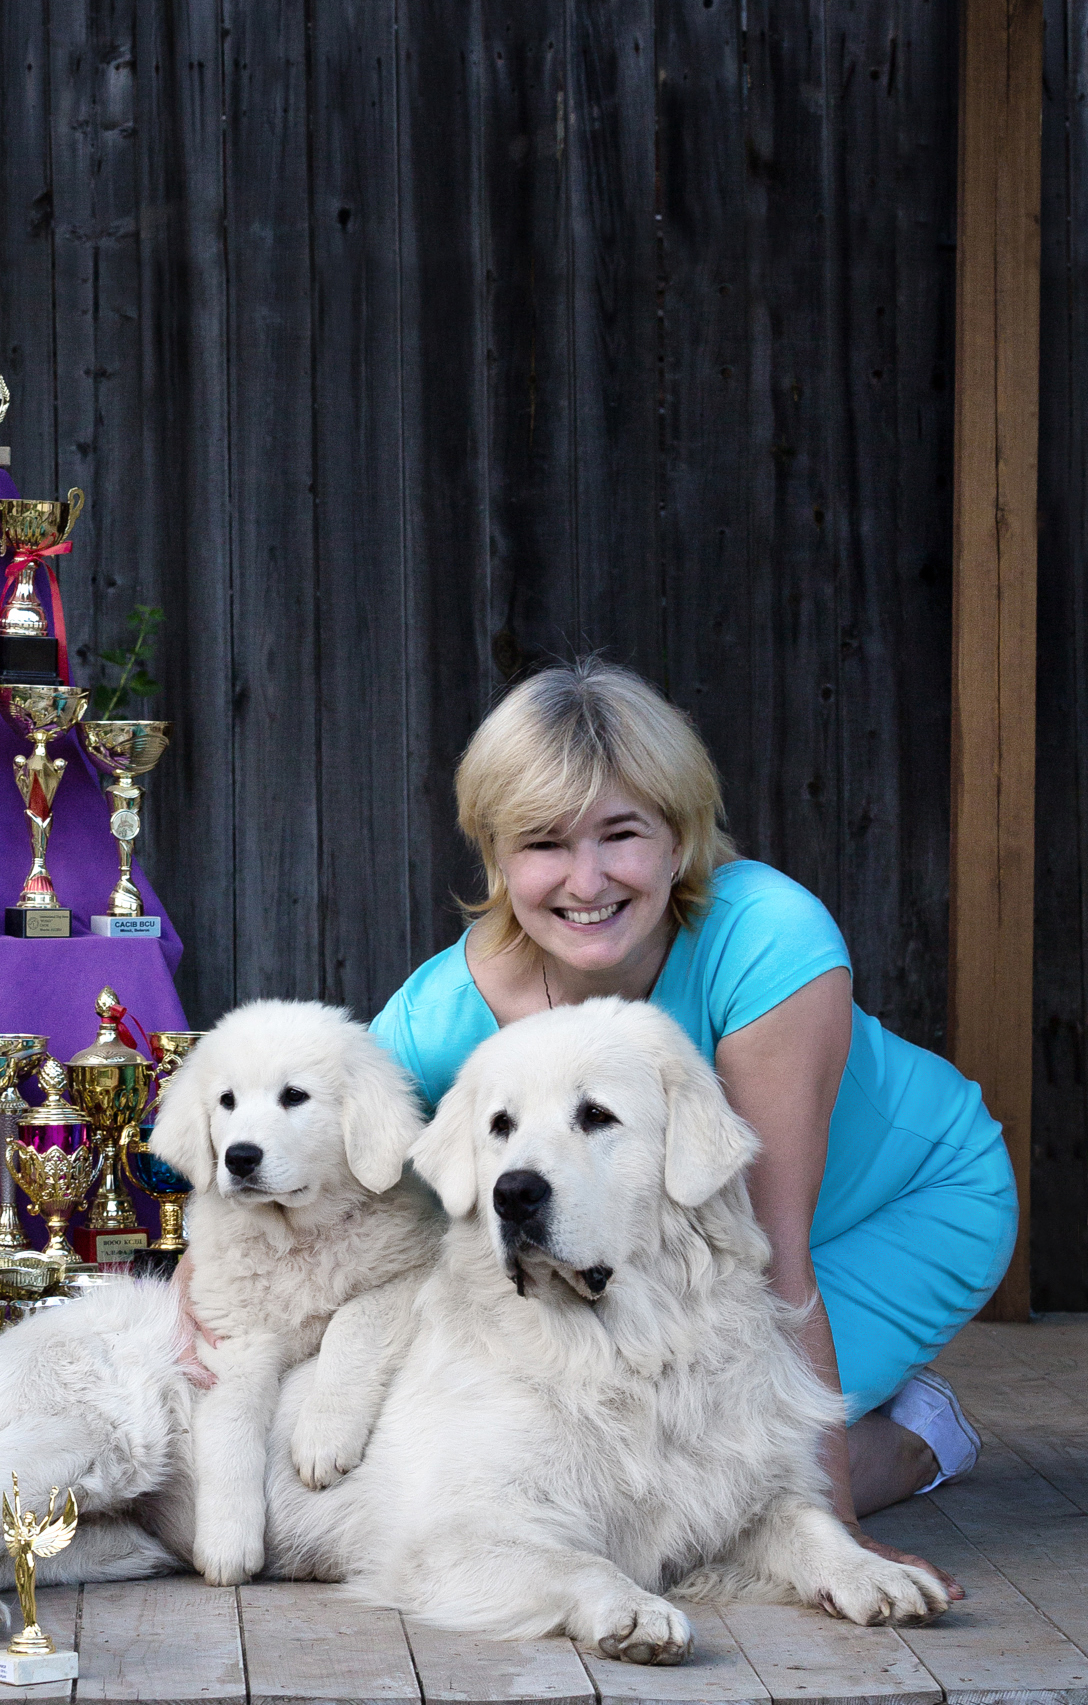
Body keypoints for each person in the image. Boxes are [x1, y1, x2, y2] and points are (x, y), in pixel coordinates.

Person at [371, 659, 1016, 1598]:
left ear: (679, 838)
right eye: (544, 843)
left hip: (909, 1203)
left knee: (720, 1469)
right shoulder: (446, 1007)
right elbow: (340, 1133)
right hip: (674, 1246)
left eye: (621, 834)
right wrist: (198, 1282)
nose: (585, 880)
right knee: (627, 1446)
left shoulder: (767, 937)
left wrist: (836, 1539)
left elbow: (773, 1257)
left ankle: (918, 1438)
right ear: (498, 862)